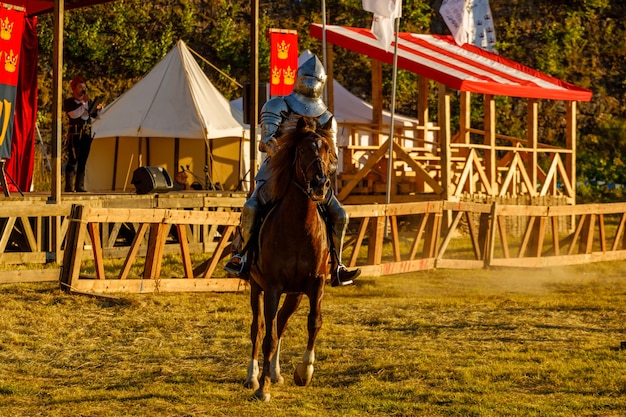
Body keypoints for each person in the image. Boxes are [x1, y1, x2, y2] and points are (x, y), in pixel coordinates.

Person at [225, 55, 361, 286]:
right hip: (276, 173)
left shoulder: (326, 117)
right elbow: (265, 140)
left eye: (314, 79)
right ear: (298, 78)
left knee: (340, 215)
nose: (310, 83)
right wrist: (285, 157)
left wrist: (321, 166)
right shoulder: (278, 105)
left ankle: (337, 265)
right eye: (307, 78)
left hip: (313, 177)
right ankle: (243, 256)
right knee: (251, 208)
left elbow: (334, 157)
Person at [63, 76, 102, 192]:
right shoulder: (69, 102)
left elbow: (94, 116)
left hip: (86, 133)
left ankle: (79, 186)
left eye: (84, 87)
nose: (83, 89)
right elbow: (74, 115)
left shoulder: (87, 102)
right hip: (75, 134)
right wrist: (84, 103)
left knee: (83, 161)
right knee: (73, 160)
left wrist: (97, 109)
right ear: (74, 89)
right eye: (80, 87)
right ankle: (68, 187)